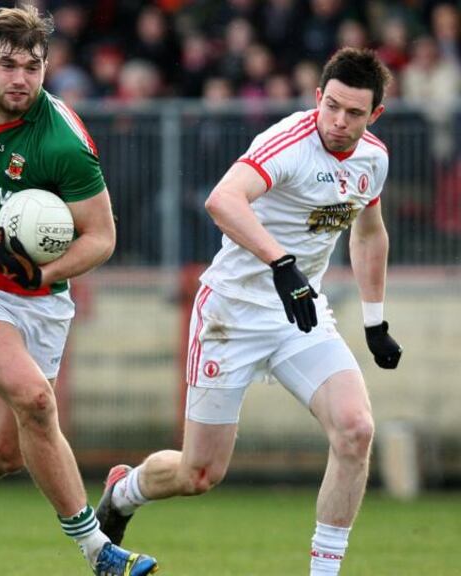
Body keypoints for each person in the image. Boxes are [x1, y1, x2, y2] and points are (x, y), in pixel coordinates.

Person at [96, 48, 402, 576]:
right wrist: (282, 265)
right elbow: (223, 199)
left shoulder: (373, 158)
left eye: (354, 113)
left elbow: (369, 232)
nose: (338, 121)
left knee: (356, 431)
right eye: (331, 106)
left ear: (374, 115)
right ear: (317, 98)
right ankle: (124, 491)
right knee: (199, 474)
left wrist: (375, 321)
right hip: (231, 315)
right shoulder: (288, 143)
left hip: (299, 314)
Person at [0, 6, 158, 576]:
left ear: (47, 69)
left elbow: (102, 237)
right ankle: (100, 552)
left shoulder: (63, 143)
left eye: (34, 67)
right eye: (9, 65)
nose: (21, 79)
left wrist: (40, 273)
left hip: (39, 297)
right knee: (38, 402)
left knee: (5, 450)